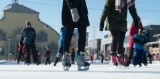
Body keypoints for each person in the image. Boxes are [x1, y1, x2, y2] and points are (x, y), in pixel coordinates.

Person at [99, 0, 141, 67]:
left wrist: (136, 19)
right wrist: (102, 20)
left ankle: (120, 58)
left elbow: (132, 9)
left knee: (121, 39)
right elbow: (106, 7)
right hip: (112, 19)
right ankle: (113, 58)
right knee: (115, 36)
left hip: (122, 21)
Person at [62, 0, 90, 70]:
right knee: (69, 33)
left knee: (83, 32)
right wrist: (73, 9)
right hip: (69, 10)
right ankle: (66, 57)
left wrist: (85, 11)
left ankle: (81, 56)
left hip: (81, 11)